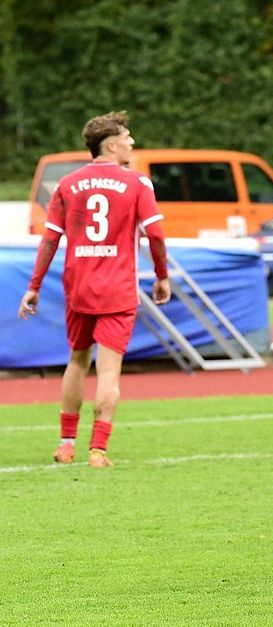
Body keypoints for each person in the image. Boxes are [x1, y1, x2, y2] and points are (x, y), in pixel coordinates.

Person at [18, 111, 170, 468]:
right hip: (117, 289)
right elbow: (156, 234)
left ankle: (66, 444)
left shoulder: (67, 184)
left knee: (77, 359)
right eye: (128, 137)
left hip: (78, 286)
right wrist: (162, 275)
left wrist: (34, 286)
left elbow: (49, 240)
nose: (132, 143)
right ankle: (98, 450)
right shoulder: (137, 183)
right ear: (113, 144)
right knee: (108, 370)